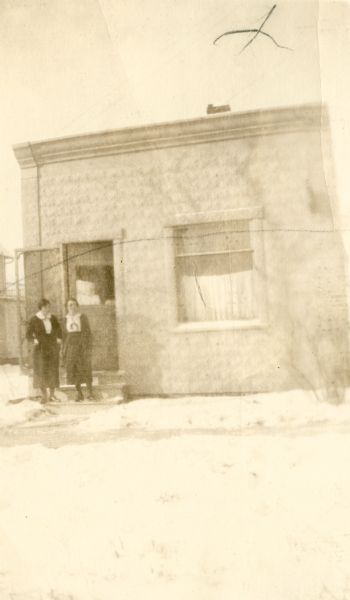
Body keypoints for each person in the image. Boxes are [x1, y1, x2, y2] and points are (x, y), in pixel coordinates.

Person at [26, 298, 62, 403]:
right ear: (41, 308)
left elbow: (59, 329)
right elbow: (28, 335)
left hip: (52, 348)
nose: (48, 309)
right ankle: (44, 395)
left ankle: (52, 395)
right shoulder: (34, 319)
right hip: (40, 349)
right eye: (45, 307)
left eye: (48, 307)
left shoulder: (53, 318)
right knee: (41, 371)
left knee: (52, 370)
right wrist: (35, 340)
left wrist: (59, 339)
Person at [62, 298, 94, 401]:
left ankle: (90, 392)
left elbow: (88, 332)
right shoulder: (65, 319)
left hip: (81, 345)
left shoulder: (82, 317)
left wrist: (86, 346)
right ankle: (79, 393)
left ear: (77, 306)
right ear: (67, 307)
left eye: (74, 305)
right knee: (73, 369)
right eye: (70, 305)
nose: (72, 307)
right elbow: (63, 335)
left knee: (85, 367)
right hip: (70, 345)